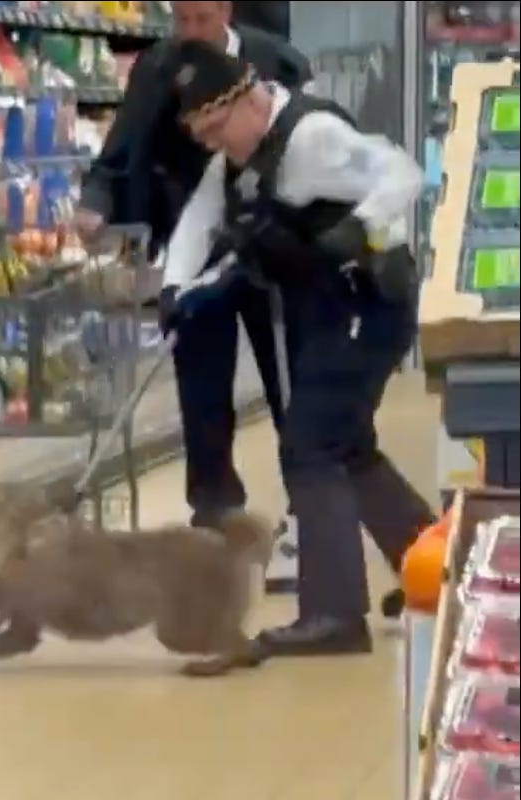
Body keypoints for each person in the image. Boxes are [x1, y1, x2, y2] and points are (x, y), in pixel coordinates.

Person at [156, 40, 437, 656]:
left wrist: (360, 227)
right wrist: (178, 289)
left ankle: (333, 616)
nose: (212, 143)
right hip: (328, 310)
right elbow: (201, 220)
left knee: (310, 442)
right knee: (347, 443)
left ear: (249, 99)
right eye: (200, 133)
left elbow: (404, 172)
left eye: (215, 127)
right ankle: (435, 566)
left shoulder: (312, 137)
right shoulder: (236, 157)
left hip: (371, 306)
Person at [76, 2, 312, 551]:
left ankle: (308, 507)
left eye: (200, 20)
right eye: (180, 20)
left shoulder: (276, 61)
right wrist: (95, 203)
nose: (189, 33)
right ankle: (216, 517)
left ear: (225, 12)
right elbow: (119, 152)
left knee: (289, 381)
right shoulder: (158, 67)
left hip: (270, 244)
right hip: (194, 242)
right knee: (201, 386)